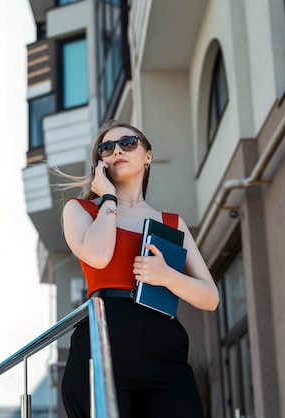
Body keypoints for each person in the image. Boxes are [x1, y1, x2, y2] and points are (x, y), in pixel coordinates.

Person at [59, 120, 219, 418]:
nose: (117, 150)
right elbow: (98, 255)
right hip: (105, 336)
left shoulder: (172, 223)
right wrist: (108, 197)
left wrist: (167, 276)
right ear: (100, 163)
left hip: (164, 343)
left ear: (147, 155)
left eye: (128, 143)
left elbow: (210, 298)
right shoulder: (81, 210)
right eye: (106, 148)